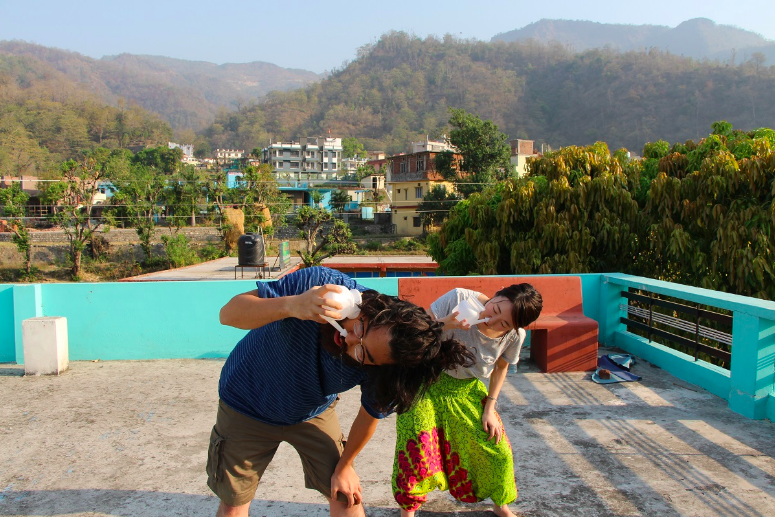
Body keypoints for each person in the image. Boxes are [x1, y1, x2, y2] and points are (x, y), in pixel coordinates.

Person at [207, 266, 474, 517]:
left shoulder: (389, 371)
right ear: (364, 307)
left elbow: (368, 417)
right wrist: (292, 305)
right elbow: (228, 314)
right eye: (360, 327)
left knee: (346, 496)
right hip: (245, 404)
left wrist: (345, 466)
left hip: (311, 410)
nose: (349, 339)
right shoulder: (319, 287)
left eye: (362, 353)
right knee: (233, 505)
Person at [392, 283, 543, 517]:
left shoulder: (514, 336)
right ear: (498, 293)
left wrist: (489, 409)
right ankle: (408, 511)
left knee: (497, 448)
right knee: (417, 449)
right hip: (424, 383)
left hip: (465, 390)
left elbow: (501, 368)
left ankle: (500, 504)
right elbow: (417, 333)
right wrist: (448, 323)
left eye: (504, 323)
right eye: (496, 308)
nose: (493, 320)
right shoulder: (459, 298)